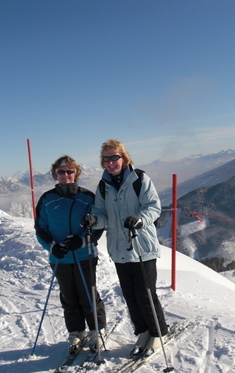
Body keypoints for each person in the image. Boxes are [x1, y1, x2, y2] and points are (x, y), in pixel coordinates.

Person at [82, 139, 168, 357]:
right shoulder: (104, 185)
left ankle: (159, 333)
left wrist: (140, 220)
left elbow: (153, 206)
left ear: (124, 158)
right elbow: (102, 213)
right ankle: (143, 331)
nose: (111, 162)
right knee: (130, 295)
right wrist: (94, 220)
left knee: (146, 294)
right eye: (106, 158)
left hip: (141, 246)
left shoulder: (139, 179)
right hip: (119, 249)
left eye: (115, 157)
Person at [34, 155, 106, 353]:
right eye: (61, 171)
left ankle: (96, 331)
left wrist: (83, 240)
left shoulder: (87, 197)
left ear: (76, 173)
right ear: (55, 174)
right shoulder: (47, 199)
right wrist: (51, 246)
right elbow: (40, 228)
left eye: (69, 171)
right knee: (68, 295)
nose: (65, 175)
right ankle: (76, 332)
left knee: (88, 294)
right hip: (60, 257)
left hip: (85, 255)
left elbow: (99, 224)